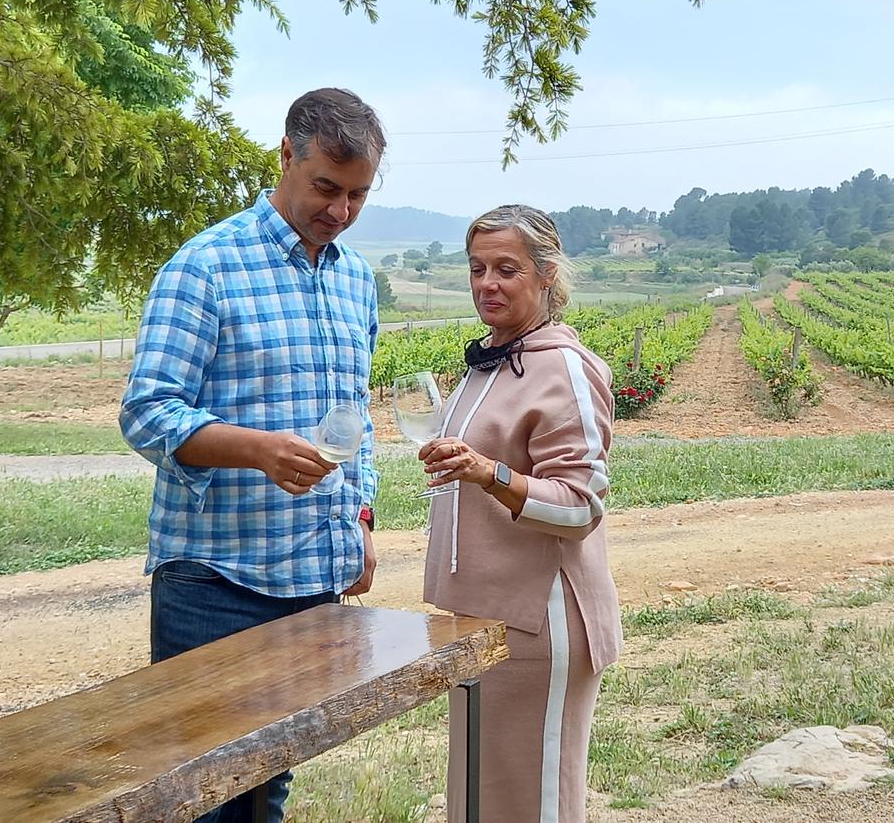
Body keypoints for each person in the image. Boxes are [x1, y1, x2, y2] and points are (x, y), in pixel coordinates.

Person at [119, 87, 385, 823]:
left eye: (358, 196)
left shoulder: (356, 279)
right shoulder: (204, 266)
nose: (339, 211)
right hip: (215, 584)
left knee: (267, 785)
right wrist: (257, 451)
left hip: (312, 581)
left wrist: (359, 520)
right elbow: (146, 412)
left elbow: (353, 419)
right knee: (204, 799)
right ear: (286, 156)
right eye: (326, 187)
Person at [416, 205, 622, 823]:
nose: (488, 284)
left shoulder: (564, 369)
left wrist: (489, 474)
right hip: (480, 614)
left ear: (547, 277)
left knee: (534, 801)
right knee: (484, 797)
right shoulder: (496, 359)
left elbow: (580, 506)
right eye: (478, 269)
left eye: (507, 269)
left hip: (541, 621)